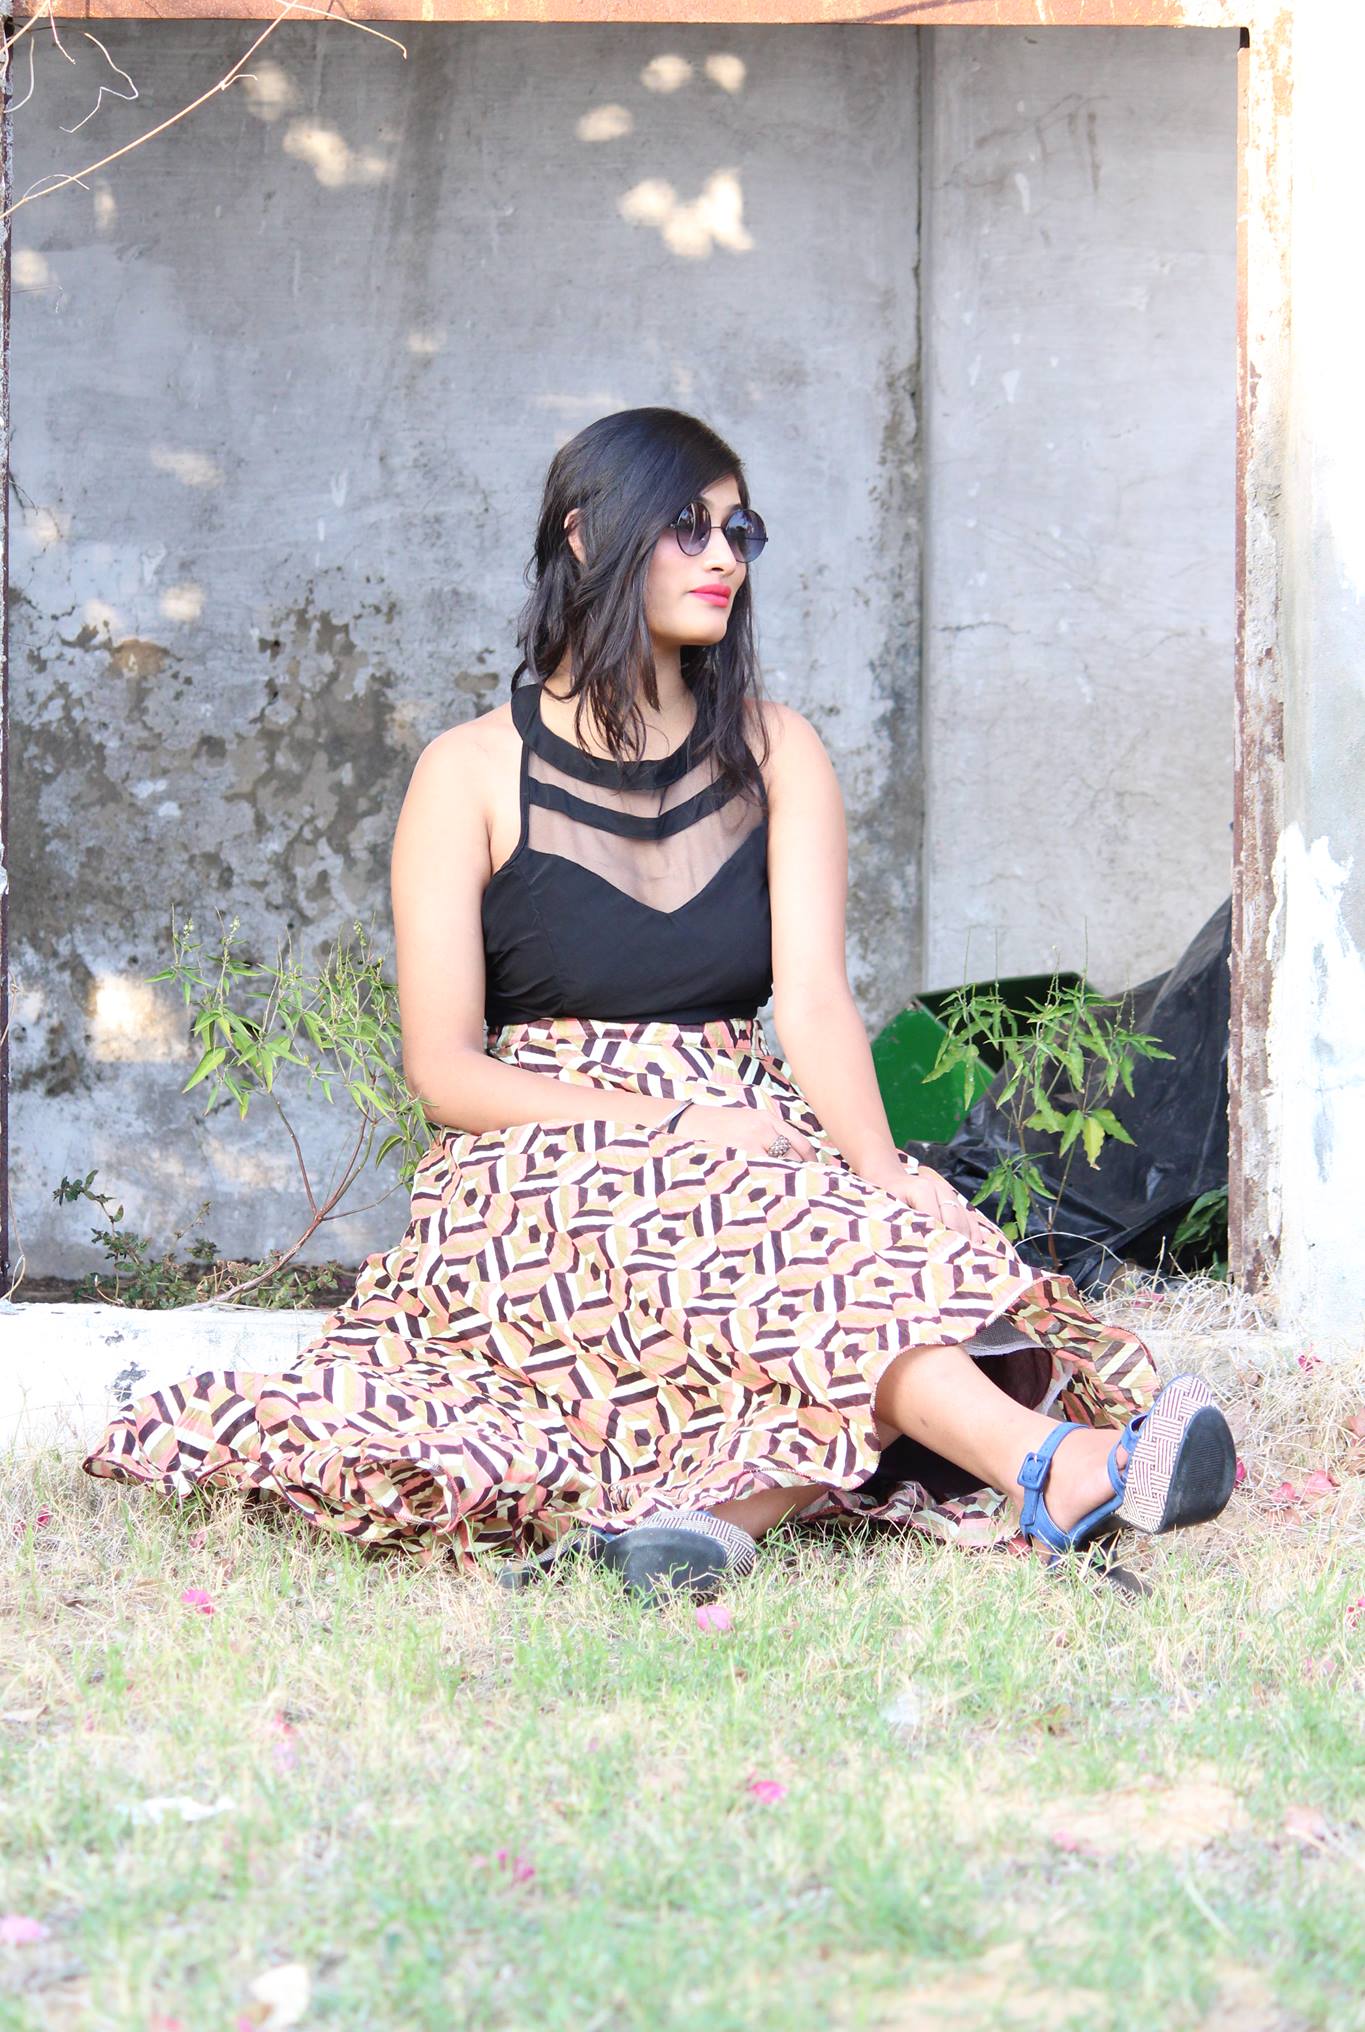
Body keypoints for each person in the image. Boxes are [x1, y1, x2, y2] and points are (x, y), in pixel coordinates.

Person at [83, 406, 1236, 1601]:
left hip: (751, 1127)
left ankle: (712, 1520)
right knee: (781, 1243)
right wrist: (677, 1126)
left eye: (740, 528)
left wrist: (881, 1166)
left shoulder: (778, 753)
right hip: (537, 1158)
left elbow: (815, 1004)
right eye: (689, 525)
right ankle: (1057, 1465)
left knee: (889, 1236)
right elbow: (444, 1067)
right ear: (587, 535)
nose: (725, 554)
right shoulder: (468, 773)